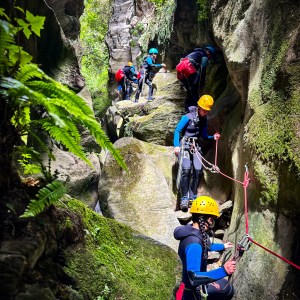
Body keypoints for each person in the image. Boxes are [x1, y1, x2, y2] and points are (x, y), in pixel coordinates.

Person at [174, 196, 236, 300]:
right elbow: (194, 278)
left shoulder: (191, 231)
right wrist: (223, 271)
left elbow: (206, 245)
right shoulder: (194, 244)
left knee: (223, 283)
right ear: (210, 219)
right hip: (190, 294)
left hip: (185, 287)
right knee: (228, 290)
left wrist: (223, 246)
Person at [173, 95, 220, 212]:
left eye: (207, 111)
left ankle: (192, 196)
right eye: (204, 110)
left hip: (195, 145)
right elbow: (178, 130)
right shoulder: (187, 117)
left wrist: (212, 137)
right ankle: (184, 198)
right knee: (186, 169)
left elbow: (203, 136)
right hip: (185, 144)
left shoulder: (203, 120)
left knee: (198, 170)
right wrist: (176, 146)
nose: (205, 112)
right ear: (199, 107)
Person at [176, 46, 216, 110]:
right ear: (208, 52)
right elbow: (203, 69)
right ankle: (194, 107)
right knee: (195, 88)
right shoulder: (204, 55)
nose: (209, 58)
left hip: (179, 67)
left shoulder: (195, 53)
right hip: (188, 66)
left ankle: (187, 108)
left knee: (189, 90)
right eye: (210, 55)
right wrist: (202, 83)